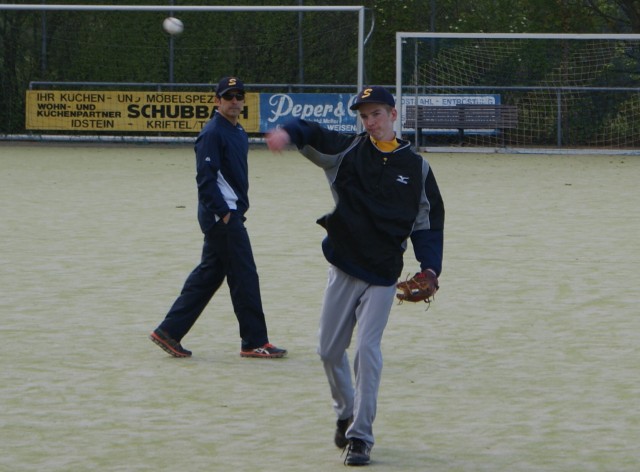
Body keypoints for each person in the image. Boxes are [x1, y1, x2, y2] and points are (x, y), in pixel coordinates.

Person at [266, 86, 444, 466]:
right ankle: (345, 413)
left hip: (382, 274)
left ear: (393, 115)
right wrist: (287, 131)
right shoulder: (347, 151)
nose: (370, 121)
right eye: (364, 115)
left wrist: (430, 268)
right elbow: (310, 131)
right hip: (344, 266)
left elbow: (428, 224)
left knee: (366, 350)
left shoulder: (416, 167)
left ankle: (361, 436)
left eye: (376, 113)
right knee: (329, 351)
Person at [150, 77, 287, 359]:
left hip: (229, 215)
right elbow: (205, 179)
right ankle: (254, 342)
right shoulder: (213, 133)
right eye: (228, 97)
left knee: (209, 275)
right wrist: (223, 213)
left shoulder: (236, 132)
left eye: (238, 96)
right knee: (245, 276)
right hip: (223, 218)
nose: (234, 101)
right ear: (217, 101)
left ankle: (168, 331)